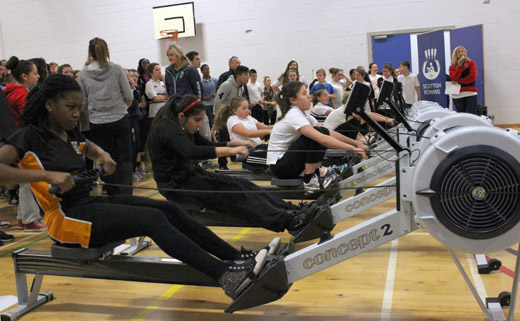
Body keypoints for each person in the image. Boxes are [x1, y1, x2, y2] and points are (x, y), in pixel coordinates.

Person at [0, 74, 270, 298]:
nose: (76, 113)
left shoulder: (66, 131)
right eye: (70, 107)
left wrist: (103, 156)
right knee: (152, 219)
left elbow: (86, 146)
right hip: (66, 219)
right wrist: (48, 177)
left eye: (78, 107)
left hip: (88, 205)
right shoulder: (28, 137)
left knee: (169, 209)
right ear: (49, 105)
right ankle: (224, 275)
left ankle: (236, 258)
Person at [147, 94, 313, 233]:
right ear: (182, 116)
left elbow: (204, 144)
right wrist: (230, 151)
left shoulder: (180, 124)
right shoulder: (166, 128)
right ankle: (287, 220)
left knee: (243, 184)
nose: (199, 125)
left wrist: (229, 145)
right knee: (235, 193)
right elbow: (190, 151)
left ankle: (291, 210)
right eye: (197, 120)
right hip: (176, 186)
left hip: (189, 176)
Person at [267, 81, 367, 192]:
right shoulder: (293, 114)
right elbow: (322, 138)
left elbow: (328, 132)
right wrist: (353, 149)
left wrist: (355, 143)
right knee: (317, 133)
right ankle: (310, 180)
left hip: (288, 163)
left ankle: (318, 172)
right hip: (281, 167)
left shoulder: (304, 114)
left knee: (321, 130)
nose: (309, 96)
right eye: (304, 94)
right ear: (293, 100)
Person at [78, 37, 134, 196]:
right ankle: (126, 193)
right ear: (107, 50)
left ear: (90, 53)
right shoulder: (116, 69)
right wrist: (120, 106)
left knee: (104, 157)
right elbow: (128, 95)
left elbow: (83, 100)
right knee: (124, 159)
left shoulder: (83, 72)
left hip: (97, 121)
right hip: (119, 118)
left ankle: (112, 191)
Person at [3, 56, 45, 231]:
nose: (38, 76)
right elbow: (27, 119)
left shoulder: (8, 91)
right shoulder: (21, 94)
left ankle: (24, 216)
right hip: (22, 142)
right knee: (29, 179)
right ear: (24, 76)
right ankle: (29, 218)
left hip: (14, 142)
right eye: (35, 73)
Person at [213, 65, 250, 170]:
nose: (248, 77)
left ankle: (234, 156)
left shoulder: (240, 86)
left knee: (233, 137)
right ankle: (222, 164)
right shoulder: (227, 85)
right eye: (245, 75)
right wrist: (218, 118)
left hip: (231, 117)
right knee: (223, 140)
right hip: (223, 117)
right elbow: (217, 101)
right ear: (238, 76)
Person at [449, 46, 478, 114]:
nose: (461, 53)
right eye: (458, 52)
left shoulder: (471, 63)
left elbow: (472, 77)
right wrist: (459, 67)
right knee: (461, 115)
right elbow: (454, 78)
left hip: (470, 92)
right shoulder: (452, 67)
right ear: (455, 55)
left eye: (462, 51)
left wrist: (459, 81)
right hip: (458, 94)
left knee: (472, 114)